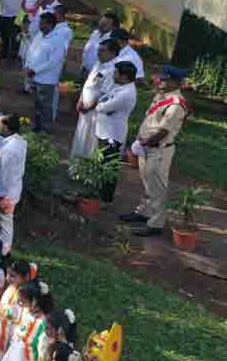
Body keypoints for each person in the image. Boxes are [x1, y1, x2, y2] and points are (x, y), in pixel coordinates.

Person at [121, 65, 189, 237]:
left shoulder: (176, 105)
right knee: (147, 183)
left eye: (164, 79)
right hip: (147, 147)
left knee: (157, 188)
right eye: (161, 78)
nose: (159, 81)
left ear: (175, 82)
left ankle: (155, 224)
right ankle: (144, 213)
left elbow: (163, 131)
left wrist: (144, 143)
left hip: (158, 150)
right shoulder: (162, 95)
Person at [73, 38, 119, 158]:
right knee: (80, 138)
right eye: (99, 50)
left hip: (94, 112)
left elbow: (104, 95)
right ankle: (76, 167)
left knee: (90, 142)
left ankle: (85, 171)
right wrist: (80, 100)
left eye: (103, 51)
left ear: (112, 53)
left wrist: (89, 107)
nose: (99, 53)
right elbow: (88, 84)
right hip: (84, 108)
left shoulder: (112, 70)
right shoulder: (98, 63)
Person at [24, 13, 68, 133]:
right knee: (37, 103)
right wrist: (27, 66)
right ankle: (37, 127)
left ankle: (46, 129)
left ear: (50, 24)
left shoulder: (58, 40)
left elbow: (53, 61)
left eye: (42, 23)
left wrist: (35, 70)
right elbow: (31, 51)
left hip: (46, 79)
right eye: (39, 22)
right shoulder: (39, 35)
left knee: (45, 106)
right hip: (33, 75)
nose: (39, 25)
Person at [0, 115, 26, 254]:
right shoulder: (20, 142)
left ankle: (3, 253)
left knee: (4, 225)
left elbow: (6, 177)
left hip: (4, 193)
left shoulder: (8, 151)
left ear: (6, 127)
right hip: (13, 190)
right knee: (4, 224)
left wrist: (2, 197)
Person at [94, 61, 137, 166]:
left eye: (116, 73)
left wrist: (102, 104)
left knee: (107, 167)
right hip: (106, 132)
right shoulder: (121, 86)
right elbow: (103, 99)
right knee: (101, 164)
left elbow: (100, 107)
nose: (113, 75)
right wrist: (103, 103)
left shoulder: (125, 93)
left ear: (124, 76)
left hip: (112, 134)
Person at [81, 11, 118, 75]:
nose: (103, 24)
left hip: (97, 73)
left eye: (107, 23)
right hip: (84, 70)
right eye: (102, 21)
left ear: (113, 27)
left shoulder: (112, 39)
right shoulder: (95, 33)